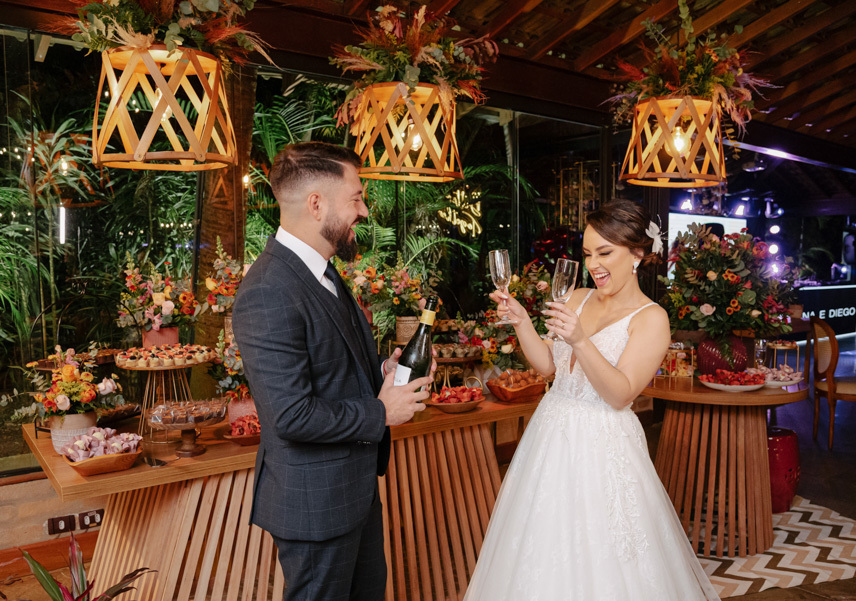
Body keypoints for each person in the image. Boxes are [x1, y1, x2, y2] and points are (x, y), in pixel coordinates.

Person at [464, 200, 720, 601]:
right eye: (587, 254)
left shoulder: (651, 318)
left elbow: (620, 393)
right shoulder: (577, 296)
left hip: (604, 441)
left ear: (637, 253)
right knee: (542, 547)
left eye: (605, 253)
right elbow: (548, 366)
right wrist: (521, 321)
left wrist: (580, 340)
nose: (594, 264)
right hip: (550, 432)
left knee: (606, 554)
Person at [232, 142, 433, 601]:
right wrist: (381, 413)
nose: (364, 211)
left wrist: (386, 369)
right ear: (316, 204)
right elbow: (290, 416)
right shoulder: (268, 290)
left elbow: (334, 363)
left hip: (353, 493)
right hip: (315, 505)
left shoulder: (320, 270)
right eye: (356, 198)